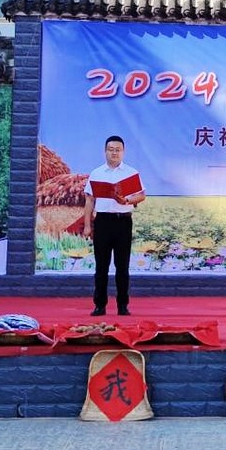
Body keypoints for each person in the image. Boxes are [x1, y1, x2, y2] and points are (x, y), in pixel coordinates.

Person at [83, 135, 146, 316]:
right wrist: (87, 225)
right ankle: (100, 305)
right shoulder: (97, 173)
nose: (114, 153)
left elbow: (141, 195)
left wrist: (127, 200)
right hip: (103, 222)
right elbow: (89, 200)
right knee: (101, 266)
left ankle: (122, 305)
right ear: (105, 151)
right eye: (111, 149)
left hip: (123, 222)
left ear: (123, 152)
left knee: (122, 266)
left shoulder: (131, 172)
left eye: (117, 150)